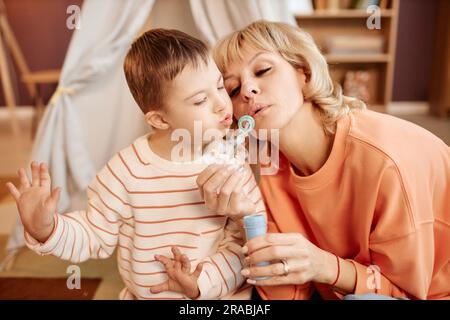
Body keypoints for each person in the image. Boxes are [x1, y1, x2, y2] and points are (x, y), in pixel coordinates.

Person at [195, 20, 450, 300]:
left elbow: (406, 293)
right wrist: (247, 220)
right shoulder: (269, 167)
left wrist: (326, 267)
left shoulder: (385, 161)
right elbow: (286, 292)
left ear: (303, 73)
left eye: (263, 70)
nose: (247, 90)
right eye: (233, 89)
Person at [6, 29, 266, 300]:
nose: (221, 104)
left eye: (220, 86)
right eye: (200, 100)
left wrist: (201, 283)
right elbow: (94, 236)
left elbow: (245, 239)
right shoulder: (124, 172)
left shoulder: (233, 160)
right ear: (160, 120)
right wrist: (45, 229)